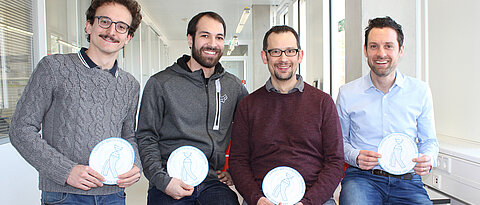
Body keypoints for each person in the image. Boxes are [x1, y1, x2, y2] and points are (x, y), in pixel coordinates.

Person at [9, 0, 143, 204]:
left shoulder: (130, 85)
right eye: (104, 21)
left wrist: (135, 164)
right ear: (89, 25)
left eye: (121, 26)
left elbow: (128, 136)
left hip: (113, 194)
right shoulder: (54, 68)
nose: (111, 31)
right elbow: (21, 128)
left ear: (128, 37)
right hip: (65, 195)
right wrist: (65, 170)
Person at [135, 11, 248, 205]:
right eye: (205, 35)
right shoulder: (160, 83)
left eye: (219, 37)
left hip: (213, 182)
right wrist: (162, 181)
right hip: (170, 181)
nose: (212, 44)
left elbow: (251, 129)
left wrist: (233, 171)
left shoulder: (234, 86)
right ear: (190, 39)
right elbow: (146, 137)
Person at [229, 25, 344, 205]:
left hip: (314, 199)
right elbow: (238, 161)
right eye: (275, 51)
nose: (283, 59)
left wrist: (308, 202)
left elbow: (335, 161)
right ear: (264, 56)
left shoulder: (323, 102)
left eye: (290, 51)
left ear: (300, 55)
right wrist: (256, 199)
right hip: (262, 199)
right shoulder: (248, 105)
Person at [336, 16, 439, 205]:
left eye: (389, 46)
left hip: (407, 180)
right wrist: (355, 156)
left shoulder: (420, 91)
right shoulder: (347, 93)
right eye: (374, 46)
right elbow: (338, 142)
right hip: (362, 178)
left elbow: (429, 141)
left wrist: (428, 159)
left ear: (400, 50)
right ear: (365, 51)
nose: (381, 53)